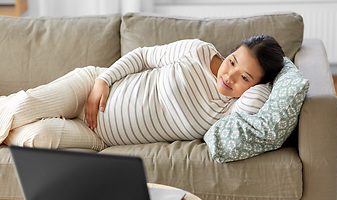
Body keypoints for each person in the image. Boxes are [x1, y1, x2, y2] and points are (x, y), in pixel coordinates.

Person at [0, 35, 284, 151]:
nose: (228, 75)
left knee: (34, 138)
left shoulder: (230, 111)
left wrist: (268, 82)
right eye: (232, 61)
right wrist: (104, 80)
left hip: (100, 136)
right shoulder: (198, 52)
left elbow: (257, 102)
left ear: (257, 85)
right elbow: (144, 56)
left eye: (244, 77)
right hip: (91, 87)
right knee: (22, 107)